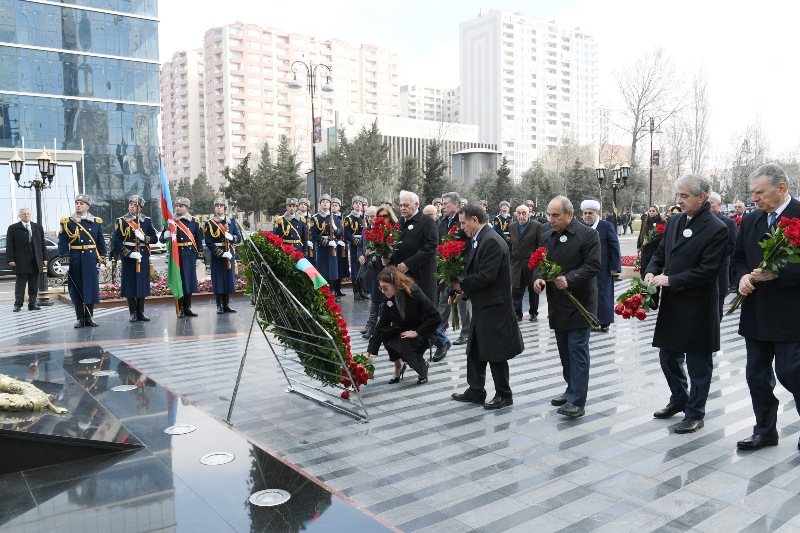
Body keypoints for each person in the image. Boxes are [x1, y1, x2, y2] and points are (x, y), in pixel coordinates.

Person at [644, 174, 728, 434]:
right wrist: (651, 270)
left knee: (698, 363)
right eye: (678, 195)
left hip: (698, 305)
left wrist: (671, 280)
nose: (678, 201)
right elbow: (661, 252)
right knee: (667, 356)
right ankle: (679, 397)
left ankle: (695, 413)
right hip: (673, 303)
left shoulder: (717, 228)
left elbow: (708, 270)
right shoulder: (675, 221)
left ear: (701, 197)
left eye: (684, 196)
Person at [732, 164, 800, 451]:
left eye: (759, 192)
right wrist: (742, 278)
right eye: (752, 193)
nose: (754, 199)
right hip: (757, 312)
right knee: (756, 376)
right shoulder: (751, 220)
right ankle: (764, 431)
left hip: (791, 314)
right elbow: (738, 259)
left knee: (791, 372)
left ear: (781, 188)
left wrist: (778, 274)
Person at [451, 203, 523, 410]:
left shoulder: (490, 240)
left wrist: (461, 285)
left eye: (463, 223)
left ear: (474, 219)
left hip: (494, 306)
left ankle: (504, 394)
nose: (462, 228)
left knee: (495, 352)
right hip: (484, 304)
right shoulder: (481, 238)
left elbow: (486, 276)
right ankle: (476, 390)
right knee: (475, 348)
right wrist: (463, 291)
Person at [534, 196, 600, 418]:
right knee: (564, 350)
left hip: (581, 304)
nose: (550, 219)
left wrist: (570, 279)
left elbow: (593, 265)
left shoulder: (588, 235)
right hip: (558, 304)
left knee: (577, 350)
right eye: (548, 215)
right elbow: (538, 264)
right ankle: (571, 387)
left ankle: (577, 400)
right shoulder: (546, 236)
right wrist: (538, 279)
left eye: (556, 215)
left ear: (569, 214)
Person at [392, 190, 444, 358]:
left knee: (427, 312)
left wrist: (409, 263)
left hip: (422, 276)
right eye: (400, 205)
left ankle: (440, 342)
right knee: (410, 313)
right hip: (403, 277)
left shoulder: (427, 222)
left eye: (406, 205)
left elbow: (431, 246)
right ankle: (412, 348)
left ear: (416, 205)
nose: (402, 208)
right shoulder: (400, 222)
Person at [366, 267, 439, 384]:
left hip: (423, 331)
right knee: (384, 332)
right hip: (404, 330)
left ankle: (422, 369)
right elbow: (381, 325)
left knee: (404, 347)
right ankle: (398, 365)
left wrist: (417, 332)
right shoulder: (388, 299)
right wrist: (369, 353)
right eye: (381, 288)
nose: (382, 291)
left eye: (385, 287)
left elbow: (436, 317)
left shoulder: (414, 292)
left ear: (396, 284)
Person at [58, 194, 107, 328]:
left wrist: (102, 259)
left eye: (81, 203)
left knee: (90, 287)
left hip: (91, 259)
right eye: (77, 203)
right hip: (76, 258)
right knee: (77, 288)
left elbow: (100, 242)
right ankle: (80, 318)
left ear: (88, 206)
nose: (78, 205)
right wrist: (64, 260)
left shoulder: (96, 222)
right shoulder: (68, 222)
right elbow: (63, 243)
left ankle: (89, 317)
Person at [112, 195, 158, 323]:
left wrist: (144, 238)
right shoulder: (121, 221)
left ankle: (141, 312)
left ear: (140, 208)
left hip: (142, 255)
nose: (132, 206)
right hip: (129, 256)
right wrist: (128, 253)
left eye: (135, 205)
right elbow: (116, 240)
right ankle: (132, 312)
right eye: (130, 204)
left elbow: (154, 238)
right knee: (130, 283)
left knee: (142, 283)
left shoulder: (146, 221)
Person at [436, 192, 472, 348]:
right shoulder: (443, 221)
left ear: (455, 205)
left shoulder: (462, 221)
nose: (443, 207)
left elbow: (469, 243)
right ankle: (439, 331)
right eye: (443, 204)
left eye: (446, 204)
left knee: (462, 301)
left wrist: (459, 259)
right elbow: (440, 242)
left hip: (460, 266)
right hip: (447, 266)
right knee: (444, 299)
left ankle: (466, 332)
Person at [581, 200, 621, 333]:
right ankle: (590, 320)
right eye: (585, 213)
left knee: (604, 294)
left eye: (590, 213)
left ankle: (605, 322)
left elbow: (614, 247)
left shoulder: (606, 226)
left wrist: (615, 267)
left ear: (596, 213)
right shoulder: (580, 227)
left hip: (603, 268)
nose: (587, 216)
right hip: (585, 268)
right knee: (587, 294)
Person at [161, 197, 203, 318]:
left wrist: (199, 256)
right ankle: (180, 309)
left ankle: (187, 307)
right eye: (177, 205)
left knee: (188, 281)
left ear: (187, 208)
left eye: (181, 206)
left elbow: (198, 239)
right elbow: (161, 239)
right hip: (177, 254)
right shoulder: (171, 221)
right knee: (178, 281)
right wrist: (164, 235)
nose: (178, 208)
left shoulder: (194, 221)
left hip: (189, 255)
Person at [361, 205, 397, 339]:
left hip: (389, 268)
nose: (382, 218)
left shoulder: (394, 230)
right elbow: (367, 246)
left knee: (389, 298)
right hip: (377, 267)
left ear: (390, 216)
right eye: (379, 216)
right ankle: (371, 325)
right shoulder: (374, 230)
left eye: (385, 216)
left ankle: (384, 327)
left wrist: (388, 258)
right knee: (376, 296)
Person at [205, 197, 242, 314]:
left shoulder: (231, 222)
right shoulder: (210, 223)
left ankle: (226, 305)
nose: (219, 208)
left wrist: (232, 238)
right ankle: (219, 306)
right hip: (217, 255)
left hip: (229, 254)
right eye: (217, 206)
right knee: (218, 279)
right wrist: (221, 253)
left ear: (225, 208)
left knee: (227, 279)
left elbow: (239, 238)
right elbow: (208, 241)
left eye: (221, 206)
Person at [6, 207, 47, 312]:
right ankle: (18, 304)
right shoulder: (13, 228)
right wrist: (10, 259)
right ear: (19, 216)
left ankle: (32, 303)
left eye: (28, 213)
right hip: (21, 261)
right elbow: (9, 245)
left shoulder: (37, 227)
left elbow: (42, 244)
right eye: (24, 214)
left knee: (34, 284)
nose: (26, 215)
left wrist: (45, 258)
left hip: (35, 260)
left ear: (30, 214)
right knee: (20, 284)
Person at [509, 204, 542, 322]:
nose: (521, 216)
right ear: (515, 214)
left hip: (532, 264)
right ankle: (517, 313)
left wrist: (539, 261)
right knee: (516, 290)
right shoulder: (511, 226)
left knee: (533, 289)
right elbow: (511, 245)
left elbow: (541, 245)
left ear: (529, 214)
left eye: (524, 213)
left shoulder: (536, 226)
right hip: (516, 264)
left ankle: (533, 312)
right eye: (519, 213)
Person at [709, 192, 737, 321]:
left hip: (720, 269)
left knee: (717, 309)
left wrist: (713, 252)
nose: (707, 206)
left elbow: (732, 246)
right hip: (700, 271)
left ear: (719, 205)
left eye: (711, 203)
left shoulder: (728, 223)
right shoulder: (698, 221)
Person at [310, 194, 340, 295]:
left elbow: (340, 233)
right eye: (323, 202)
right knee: (323, 270)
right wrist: (327, 243)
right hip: (322, 247)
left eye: (327, 202)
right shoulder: (315, 218)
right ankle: (324, 293)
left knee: (332, 271)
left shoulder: (334, 217)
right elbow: (314, 235)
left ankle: (331, 292)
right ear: (320, 204)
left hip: (333, 247)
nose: (325, 204)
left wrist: (335, 228)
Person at [344, 196, 367, 299]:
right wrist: (355, 241)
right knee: (355, 268)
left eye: (360, 203)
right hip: (354, 245)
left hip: (363, 245)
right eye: (356, 203)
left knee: (362, 267)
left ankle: (362, 291)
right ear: (352, 205)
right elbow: (346, 234)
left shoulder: (364, 217)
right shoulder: (349, 218)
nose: (358, 205)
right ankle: (356, 292)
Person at [637, 206, 667, 277]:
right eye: (650, 211)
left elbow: (664, 236)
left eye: (653, 211)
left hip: (657, 249)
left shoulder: (662, 222)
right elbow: (641, 235)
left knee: (655, 268)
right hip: (646, 249)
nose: (651, 212)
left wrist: (652, 239)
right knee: (645, 268)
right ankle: (645, 282)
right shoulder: (645, 222)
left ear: (657, 212)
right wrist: (641, 244)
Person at [331, 198, 348, 298]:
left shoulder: (343, 217)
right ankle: (333, 289)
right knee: (334, 268)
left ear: (339, 207)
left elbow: (346, 231)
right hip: (333, 245)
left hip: (342, 245)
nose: (334, 207)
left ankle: (338, 288)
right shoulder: (330, 217)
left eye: (336, 205)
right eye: (333, 205)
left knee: (340, 267)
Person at [297, 198, 314, 263]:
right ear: (298, 206)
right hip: (301, 241)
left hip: (311, 242)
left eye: (305, 204)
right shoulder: (296, 217)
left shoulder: (311, 217)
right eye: (301, 204)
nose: (303, 206)